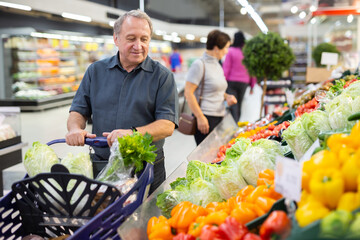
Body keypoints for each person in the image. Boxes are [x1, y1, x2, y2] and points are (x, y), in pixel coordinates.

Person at [65, 9, 179, 195]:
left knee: (147, 222)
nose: (138, 45)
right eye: (131, 38)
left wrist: (132, 134)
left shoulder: (162, 76)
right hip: (103, 165)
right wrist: (75, 129)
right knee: (105, 219)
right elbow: (78, 110)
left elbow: (167, 125)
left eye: (144, 39)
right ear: (116, 39)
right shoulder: (96, 71)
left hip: (147, 168)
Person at [184, 30, 237, 145]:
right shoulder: (199, 64)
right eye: (226, 48)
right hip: (206, 118)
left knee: (218, 155)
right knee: (207, 158)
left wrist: (227, 96)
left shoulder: (217, 65)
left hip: (220, 116)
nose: (227, 51)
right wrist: (200, 117)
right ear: (217, 48)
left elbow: (217, 89)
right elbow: (188, 93)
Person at [223, 31, 256, 123]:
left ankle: (234, 125)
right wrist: (252, 85)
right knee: (239, 104)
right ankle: (236, 123)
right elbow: (251, 70)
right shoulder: (247, 53)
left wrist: (223, 82)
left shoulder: (230, 51)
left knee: (233, 105)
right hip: (244, 82)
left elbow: (226, 68)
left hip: (231, 82)